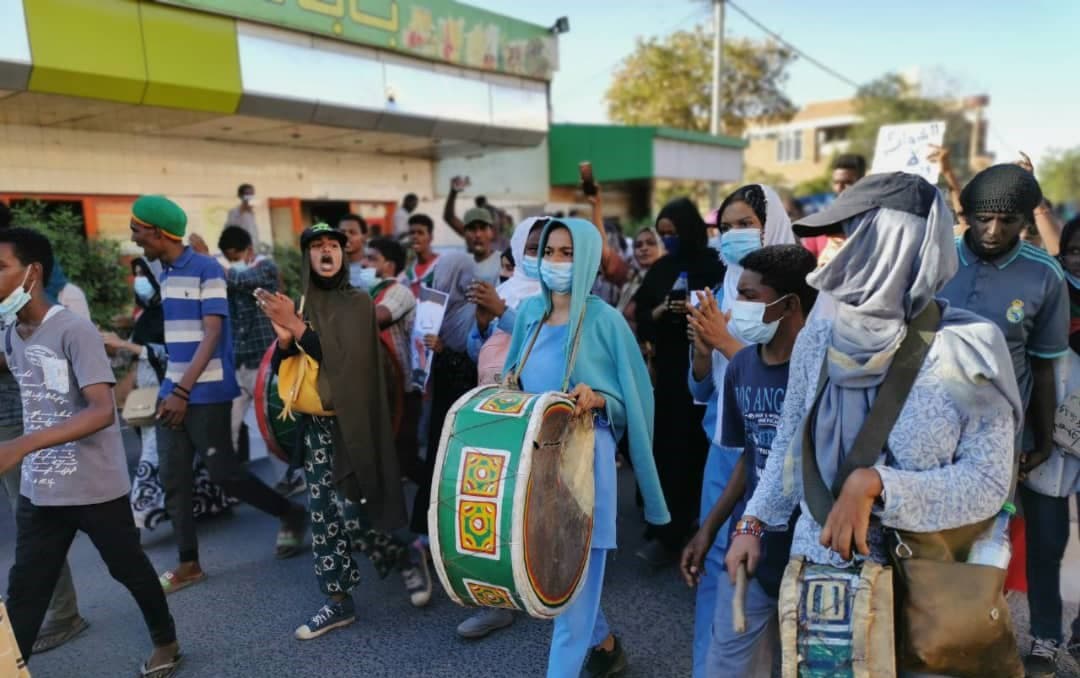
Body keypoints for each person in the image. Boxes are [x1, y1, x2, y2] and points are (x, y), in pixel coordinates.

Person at [725, 173, 1022, 678]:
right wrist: (754, 522)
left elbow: (988, 483)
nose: (826, 251)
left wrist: (878, 486)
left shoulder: (966, 347)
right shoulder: (819, 340)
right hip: (824, 590)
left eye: (845, 236)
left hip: (924, 593)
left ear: (892, 244)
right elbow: (789, 442)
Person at [0, 228, 181, 676]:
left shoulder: (74, 330)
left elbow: (101, 411)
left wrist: (21, 444)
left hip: (94, 486)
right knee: (25, 589)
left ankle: (167, 641)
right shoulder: (10, 331)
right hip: (41, 489)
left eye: (0, 267)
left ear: (31, 273)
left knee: (129, 570)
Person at [500, 218, 669, 676]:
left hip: (584, 468)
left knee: (569, 593)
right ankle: (608, 646)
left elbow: (633, 399)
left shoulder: (606, 321)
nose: (555, 262)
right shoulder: (531, 316)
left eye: (567, 254)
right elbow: (513, 377)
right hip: (535, 466)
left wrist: (599, 399)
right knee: (558, 579)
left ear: (590, 259)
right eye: (548, 252)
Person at [255, 223, 429, 639]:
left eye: (333, 244)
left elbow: (345, 366)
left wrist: (297, 330)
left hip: (353, 424)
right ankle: (338, 601)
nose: (327, 251)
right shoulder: (301, 303)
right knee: (324, 516)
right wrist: (284, 340)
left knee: (354, 516)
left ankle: (404, 554)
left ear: (343, 253)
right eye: (317, 246)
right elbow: (287, 369)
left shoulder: (358, 304)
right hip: (315, 428)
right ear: (307, 257)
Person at [129, 194, 307, 594]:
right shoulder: (167, 270)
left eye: (138, 229)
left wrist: (183, 391)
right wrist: (171, 391)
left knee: (224, 474)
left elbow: (212, 334)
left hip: (205, 391)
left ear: (157, 232)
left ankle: (291, 513)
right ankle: (188, 564)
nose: (133, 237)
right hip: (172, 390)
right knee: (174, 478)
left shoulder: (207, 269)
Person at [938, 163, 1069, 676]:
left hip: (1002, 436)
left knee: (1002, 548)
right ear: (966, 214)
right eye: (983, 219)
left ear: (1026, 221)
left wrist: (1044, 439)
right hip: (931, 429)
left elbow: (1043, 361)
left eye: (1008, 221)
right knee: (937, 543)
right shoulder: (938, 254)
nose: (993, 232)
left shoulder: (1043, 274)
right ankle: (937, 640)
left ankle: (1028, 640)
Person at [682, 244, 817, 677]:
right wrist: (708, 529)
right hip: (750, 549)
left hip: (809, 552)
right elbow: (750, 459)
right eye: (736, 294)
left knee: (804, 662)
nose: (736, 308)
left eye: (750, 297)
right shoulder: (742, 367)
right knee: (728, 663)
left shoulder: (820, 370)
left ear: (789, 305)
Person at [0, 240, 91, 656]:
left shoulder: (29, 297)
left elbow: (36, 348)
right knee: (35, 525)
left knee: (36, 526)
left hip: (17, 421)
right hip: (14, 422)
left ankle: (62, 614)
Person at [103, 258, 235, 530]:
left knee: (157, 458)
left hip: (173, 391)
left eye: (143, 273)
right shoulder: (143, 317)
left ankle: (140, 516)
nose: (139, 280)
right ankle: (205, 506)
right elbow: (133, 357)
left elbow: (170, 354)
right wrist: (114, 348)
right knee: (181, 458)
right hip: (150, 393)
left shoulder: (171, 311)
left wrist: (129, 347)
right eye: (135, 274)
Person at [633, 197, 725, 565]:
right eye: (663, 233)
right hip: (671, 374)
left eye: (673, 233)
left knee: (702, 450)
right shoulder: (662, 268)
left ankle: (703, 528)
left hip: (706, 369)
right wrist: (660, 310)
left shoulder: (715, 265)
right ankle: (667, 531)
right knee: (668, 449)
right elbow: (642, 316)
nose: (668, 240)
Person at [1025, 215, 1080, 668]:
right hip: (1048, 437)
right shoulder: (1047, 290)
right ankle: (1045, 634)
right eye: (1076, 251)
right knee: (1046, 540)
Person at [409, 252, 479, 538]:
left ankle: (452, 532)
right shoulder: (434, 309)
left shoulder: (474, 313)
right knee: (438, 460)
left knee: (456, 464)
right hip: (441, 395)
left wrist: (443, 351)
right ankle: (428, 531)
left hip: (465, 399)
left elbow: (475, 360)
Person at [213, 226, 283, 462]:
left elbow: (241, 280)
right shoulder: (230, 274)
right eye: (229, 258)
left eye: (235, 256)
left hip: (264, 362)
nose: (233, 262)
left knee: (272, 424)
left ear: (249, 250)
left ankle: (291, 475)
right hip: (240, 362)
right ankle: (230, 482)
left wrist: (207, 259)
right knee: (227, 425)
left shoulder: (266, 268)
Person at [361, 237, 423, 484]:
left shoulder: (400, 291)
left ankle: (438, 501)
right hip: (383, 388)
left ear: (390, 265)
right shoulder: (370, 292)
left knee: (405, 458)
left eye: (372, 258)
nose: (364, 263)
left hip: (405, 388)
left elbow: (377, 317)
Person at [465, 217, 545, 389]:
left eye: (547, 249)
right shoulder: (503, 290)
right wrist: (482, 326)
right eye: (532, 249)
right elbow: (475, 354)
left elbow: (544, 341)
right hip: (494, 393)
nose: (540, 255)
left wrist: (502, 312)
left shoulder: (559, 294)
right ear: (518, 250)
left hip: (534, 392)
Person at [443, 177, 500, 284]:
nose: (478, 234)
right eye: (472, 229)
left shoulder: (504, 262)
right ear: (465, 232)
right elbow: (449, 217)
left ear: (492, 231)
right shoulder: (460, 266)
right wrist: (453, 192)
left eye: (483, 228)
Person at [615, 227, 664, 337]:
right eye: (638, 245)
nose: (644, 248)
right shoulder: (632, 280)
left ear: (662, 246)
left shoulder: (669, 280)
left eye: (651, 243)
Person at [404, 213, 439, 295]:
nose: (415, 237)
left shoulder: (441, 264)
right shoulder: (407, 272)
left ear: (430, 237)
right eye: (412, 233)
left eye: (420, 233)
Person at [225, 183, 260, 251]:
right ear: (240, 195)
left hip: (253, 247)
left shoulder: (251, 212)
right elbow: (230, 229)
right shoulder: (234, 211)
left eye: (252, 194)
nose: (250, 196)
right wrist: (242, 212)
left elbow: (253, 231)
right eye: (247, 193)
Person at [338, 214, 368, 289]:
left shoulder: (372, 266)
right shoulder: (332, 266)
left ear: (364, 237)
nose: (346, 236)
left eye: (352, 232)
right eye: (342, 232)